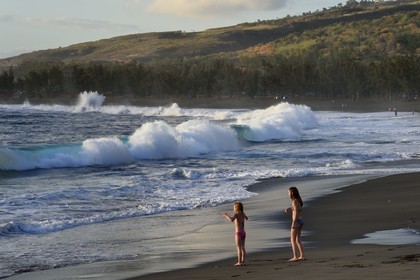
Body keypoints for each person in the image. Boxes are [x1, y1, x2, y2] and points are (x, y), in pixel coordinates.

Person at [223, 201, 249, 266]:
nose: (233, 208)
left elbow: (231, 220)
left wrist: (226, 215)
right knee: (243, 247)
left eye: (234, 207)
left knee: (238, 248)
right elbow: (246, 218)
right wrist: (244, 217)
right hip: (243, 233)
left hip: (238, 233)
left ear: (236, 208)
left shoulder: (236, 214)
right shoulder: (243, 213)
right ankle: (243, 261)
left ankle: (239, 262)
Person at [285, 186, 306, 261]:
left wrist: (294, 222)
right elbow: (297, 209)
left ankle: (295, 256)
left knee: (292, 239)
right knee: (298, 239)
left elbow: (296, 212)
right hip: (301, 220)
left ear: (292, 193)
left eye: (288, 192)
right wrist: (290, 208)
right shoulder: (298, 200)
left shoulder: (294, 201)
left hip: (297, 221)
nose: (288, 194)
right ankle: (302, 256)